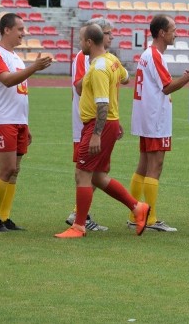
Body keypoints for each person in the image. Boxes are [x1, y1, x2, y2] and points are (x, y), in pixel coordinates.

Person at [55, 24, 149, 238]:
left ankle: (78, 226)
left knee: (83, 173)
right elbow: (125, 78)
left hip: (99, 125)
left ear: (89, 42)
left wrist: (97, 133)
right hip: (108, 123)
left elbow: (102, 104)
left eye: (81, 40)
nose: (80, 44)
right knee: (97, 176)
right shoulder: (111, 60)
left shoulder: (98, 67)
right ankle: (137, 207)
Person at [0, 13, 53, 232]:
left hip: (17, 120)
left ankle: (4, 217)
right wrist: (34, 67)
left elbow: (20, 91)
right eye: (20, 29)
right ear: (7, 30)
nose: (24, 33)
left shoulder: (15, 57)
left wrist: (26, 123)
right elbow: (6, 81)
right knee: (8, 167)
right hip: (1, 118)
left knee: (15, 170)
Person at [128, 15, 189, 232]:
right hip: (155, 117)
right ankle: (151, 218)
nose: (176, 33)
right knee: (155, 165)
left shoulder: (148, 54)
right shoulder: (155, 55)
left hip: (146, 115)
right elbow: (166, 87)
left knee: (144, 165)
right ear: (162, 33)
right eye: (173, 30)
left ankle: (134, 213)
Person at [65, 17, 117, 231]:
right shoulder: (84, 58)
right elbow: (78, 86)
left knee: (96, 170)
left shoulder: (107, 60)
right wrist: (94, 77)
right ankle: (79, 216)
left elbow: (123, 80)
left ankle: (80, 215)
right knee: (87, 171)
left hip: (101, 121)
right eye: (107, 32)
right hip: (86, 123)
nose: (111, 36)